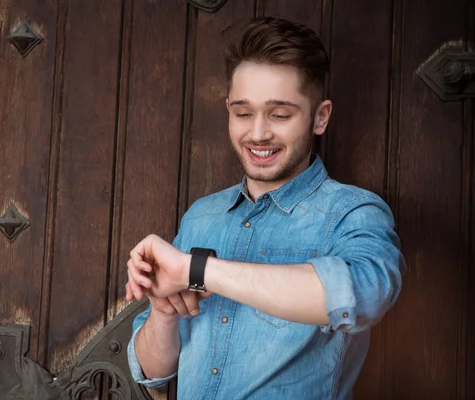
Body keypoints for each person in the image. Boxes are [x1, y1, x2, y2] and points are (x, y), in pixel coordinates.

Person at [125, 17, 404, 400]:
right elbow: (155, 373)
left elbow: (363, 296)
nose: (257, 133)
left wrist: (197, 270)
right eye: (243, 113)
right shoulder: (201, 217)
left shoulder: (354, 212)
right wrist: (162, 309)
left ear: (320, 117)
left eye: (280, 114)